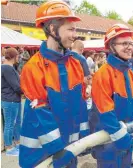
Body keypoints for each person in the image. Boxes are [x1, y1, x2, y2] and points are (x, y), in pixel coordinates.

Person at [19, 1, 89, 167]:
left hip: (70, 150)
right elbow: (41, 114)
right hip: (42, 156)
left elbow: (81, 104)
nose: (75, 35)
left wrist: (84, 136)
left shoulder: (75, 64)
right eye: (70, 29)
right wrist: (58, 150)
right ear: (52, 29)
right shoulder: (33, 68)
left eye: (75, 29)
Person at [89, 24, 133, 168]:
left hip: (127, 134)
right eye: (124, 43)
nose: (130, 47)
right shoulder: (102, 75)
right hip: (108, 141)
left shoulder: (129, 71)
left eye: (131, 43)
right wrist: (120, 135)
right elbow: (104, 112)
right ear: (111, 46)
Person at [1, 48, 22, 156]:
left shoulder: (8, 67)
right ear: (14, 56)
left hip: (13, 100)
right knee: (10, 124)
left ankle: (17, 143)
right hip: (10, 100)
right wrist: (27, 91)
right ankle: (9, 147)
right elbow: (16, 87)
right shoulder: (7, 68)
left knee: (16, 123)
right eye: (18, 55)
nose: (19, 57)